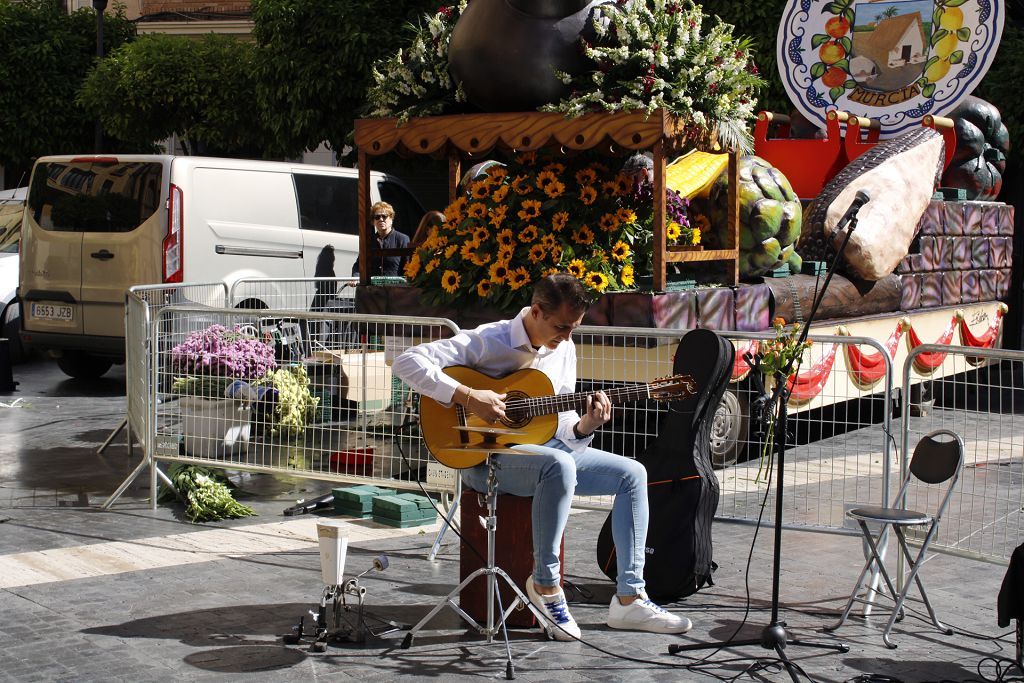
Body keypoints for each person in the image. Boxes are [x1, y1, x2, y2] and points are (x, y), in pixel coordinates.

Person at [392, 273, 692, 641]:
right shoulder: (491, 340)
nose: (567, 337)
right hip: (481, 457)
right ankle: (545, 585)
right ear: (536, 311)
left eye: (574, 328)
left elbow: (562, 424)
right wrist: (469, 396)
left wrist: (585, 425)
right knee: (559, 464)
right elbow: (406, 362)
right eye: (561, 327)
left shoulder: (564, 347)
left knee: (632, 473)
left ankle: (629, 599)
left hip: (543, 453)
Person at [351, 201, 410, 277]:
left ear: (391, 219)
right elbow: (358, 266)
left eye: (384, 216)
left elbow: (408, 267)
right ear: (373, 221)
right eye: (377, 217)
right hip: (373, 288)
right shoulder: (369, 241)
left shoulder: (402, 239)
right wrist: (355, 278)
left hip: (395, 287)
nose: (381, 219)